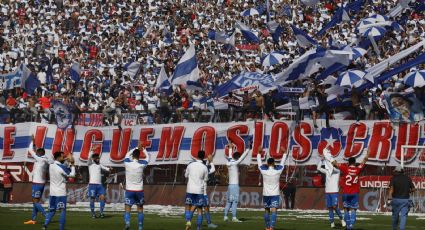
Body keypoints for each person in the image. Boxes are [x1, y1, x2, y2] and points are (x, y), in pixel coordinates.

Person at [327, 150, 369, 230]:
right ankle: (351, 226)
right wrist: (368, 154)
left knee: (346, 208)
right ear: (355, 162)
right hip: (355, 193)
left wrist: (329, 157)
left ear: (349, 163)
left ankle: (348, 226)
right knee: (353, 209)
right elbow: (364, 161)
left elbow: (334, 164)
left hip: (346, 192)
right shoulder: (358, 169)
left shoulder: (345, 169)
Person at [256, 146, 288, 230]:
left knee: (267, 210)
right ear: (274, 163)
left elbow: (259, 163)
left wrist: (259, 153)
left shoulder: (263, 170)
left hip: (266, 194)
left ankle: (267, 227)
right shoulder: (278, 171)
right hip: (275, 194)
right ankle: (272, 227)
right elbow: (282, 162)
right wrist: (284, 153)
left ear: (267, 163)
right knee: (274, 210)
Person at [43, 152, 76, 230]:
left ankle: (45, 225)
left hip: (52, 192)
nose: (63, 157)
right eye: (62, 156)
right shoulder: (61, 167)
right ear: (58, 157)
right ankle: (61, 228)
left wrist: (67, 160)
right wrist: (73, 164)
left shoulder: (51, 165)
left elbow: (60, 163)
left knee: (52, 211)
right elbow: (72, 175)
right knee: (62, 211)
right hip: (60, 192)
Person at [24, 139, 52, 225]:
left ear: (40, 154)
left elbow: (30, 150)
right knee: (35, 201)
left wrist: (32, 141)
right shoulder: (44, 159)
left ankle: (46, 215)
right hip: (41, 182)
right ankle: (33, 219)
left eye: (37, 153)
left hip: (37, 183)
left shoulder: (40, 159)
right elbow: (35, 151)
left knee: (35, 201)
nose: (35, 154)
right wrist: (35, 144)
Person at [123, 143, 150, 230]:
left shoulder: (127, 163)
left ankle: (127, 223)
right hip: (139, 190)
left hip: (129, 190)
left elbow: (127, 155)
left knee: (127, 208)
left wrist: (136, 147)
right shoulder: (141, 165)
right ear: (139, 156)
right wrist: (143, 149)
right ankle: (140, 227)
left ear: (132, 156)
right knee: (140, 209)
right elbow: (148, 157)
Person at [317, 149, 346, 228]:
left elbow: (332, 167)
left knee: (334, 206)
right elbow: (318, 168)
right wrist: (322, 160)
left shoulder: (337, 171)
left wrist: (328, 158)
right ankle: (332, 222)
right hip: (327, 191)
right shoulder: (327, 171)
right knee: (330, 208)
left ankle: (341, 219)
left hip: (334, 191)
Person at [223, 141, 251, 222]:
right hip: (234, 186)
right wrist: (248, 149)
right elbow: (243, 157)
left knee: (228, 202)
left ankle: (225, 216)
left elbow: (230, 156)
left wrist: (231, 148)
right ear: (237, 158)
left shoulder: (229, 162)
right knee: (234, 202)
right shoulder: (235, 163)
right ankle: (234, 217)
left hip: (230, 185)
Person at [184, 150, 209, 230]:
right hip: (199, 190)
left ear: (197, 155)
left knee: (188, 207)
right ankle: (198, 228)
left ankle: (188, 222)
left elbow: (186, 175)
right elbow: (206, 179)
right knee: (199, 209)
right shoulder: (205, 167)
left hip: (190, 189)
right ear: (203, 157)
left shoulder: (190, 165)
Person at [388, 166, 416, 230]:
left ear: (397, 171)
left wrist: (389, 199)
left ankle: (394, 229)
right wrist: (409, 191)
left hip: (396, 200)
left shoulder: (393, 178)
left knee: (395, 216)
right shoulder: (408, 178)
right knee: (403, 216)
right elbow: (414, 189)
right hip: (405, 200)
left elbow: (391, 189)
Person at [87, 146, 111, 218]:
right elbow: (89, 158)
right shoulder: (90, 164)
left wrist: (109, 169)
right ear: (94, 159)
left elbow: (106, 168)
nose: (98, 159)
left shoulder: (99, 165)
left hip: (100, 185)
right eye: (97, 158)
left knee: (103, 197)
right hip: (92, 185)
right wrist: (91, 151)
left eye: (99, 158)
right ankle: (93, 213)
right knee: (92, 199)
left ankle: (101, 213)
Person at [202, 155, 218, 229]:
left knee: (193, 208)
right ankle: (209, 223)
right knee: (206, 208)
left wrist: (208, 161)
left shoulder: (199, 169)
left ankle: (188, 222)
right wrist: (211, 161)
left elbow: (205, 165)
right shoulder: (205, 170)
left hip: (196, 192)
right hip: (203, 193)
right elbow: (213, 169)